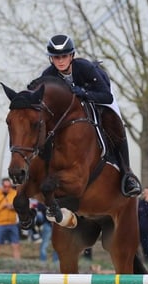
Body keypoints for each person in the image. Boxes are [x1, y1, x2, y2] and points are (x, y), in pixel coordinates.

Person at [39, 34, 141, 197]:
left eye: (64, 56)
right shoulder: (48, 75)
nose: (60, 61)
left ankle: (127, 174)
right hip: (69, 111)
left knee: (113, 121)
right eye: (56, 57)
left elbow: (106, 96)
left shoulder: (84, 68)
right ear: (51, 59)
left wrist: (85, 93)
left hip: (98, 95)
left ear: (71, 55)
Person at [0, 178, 21, 259]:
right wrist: (2, 206)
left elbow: (20, 206)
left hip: (12, 223)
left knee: (16, 245)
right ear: (1, 186)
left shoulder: (14, 193)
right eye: (5, 186)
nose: (7, 188)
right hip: (0, 224)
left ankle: (17, 264)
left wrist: (13, 207)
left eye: (9, 186)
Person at [36, 201, 58, 265]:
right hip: (48, 224)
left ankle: (56, 262)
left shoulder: (59, 198)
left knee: (57, 244)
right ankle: (43, 261)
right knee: (45, 244)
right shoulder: (43, 199)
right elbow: (39, 207)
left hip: (58, 225)